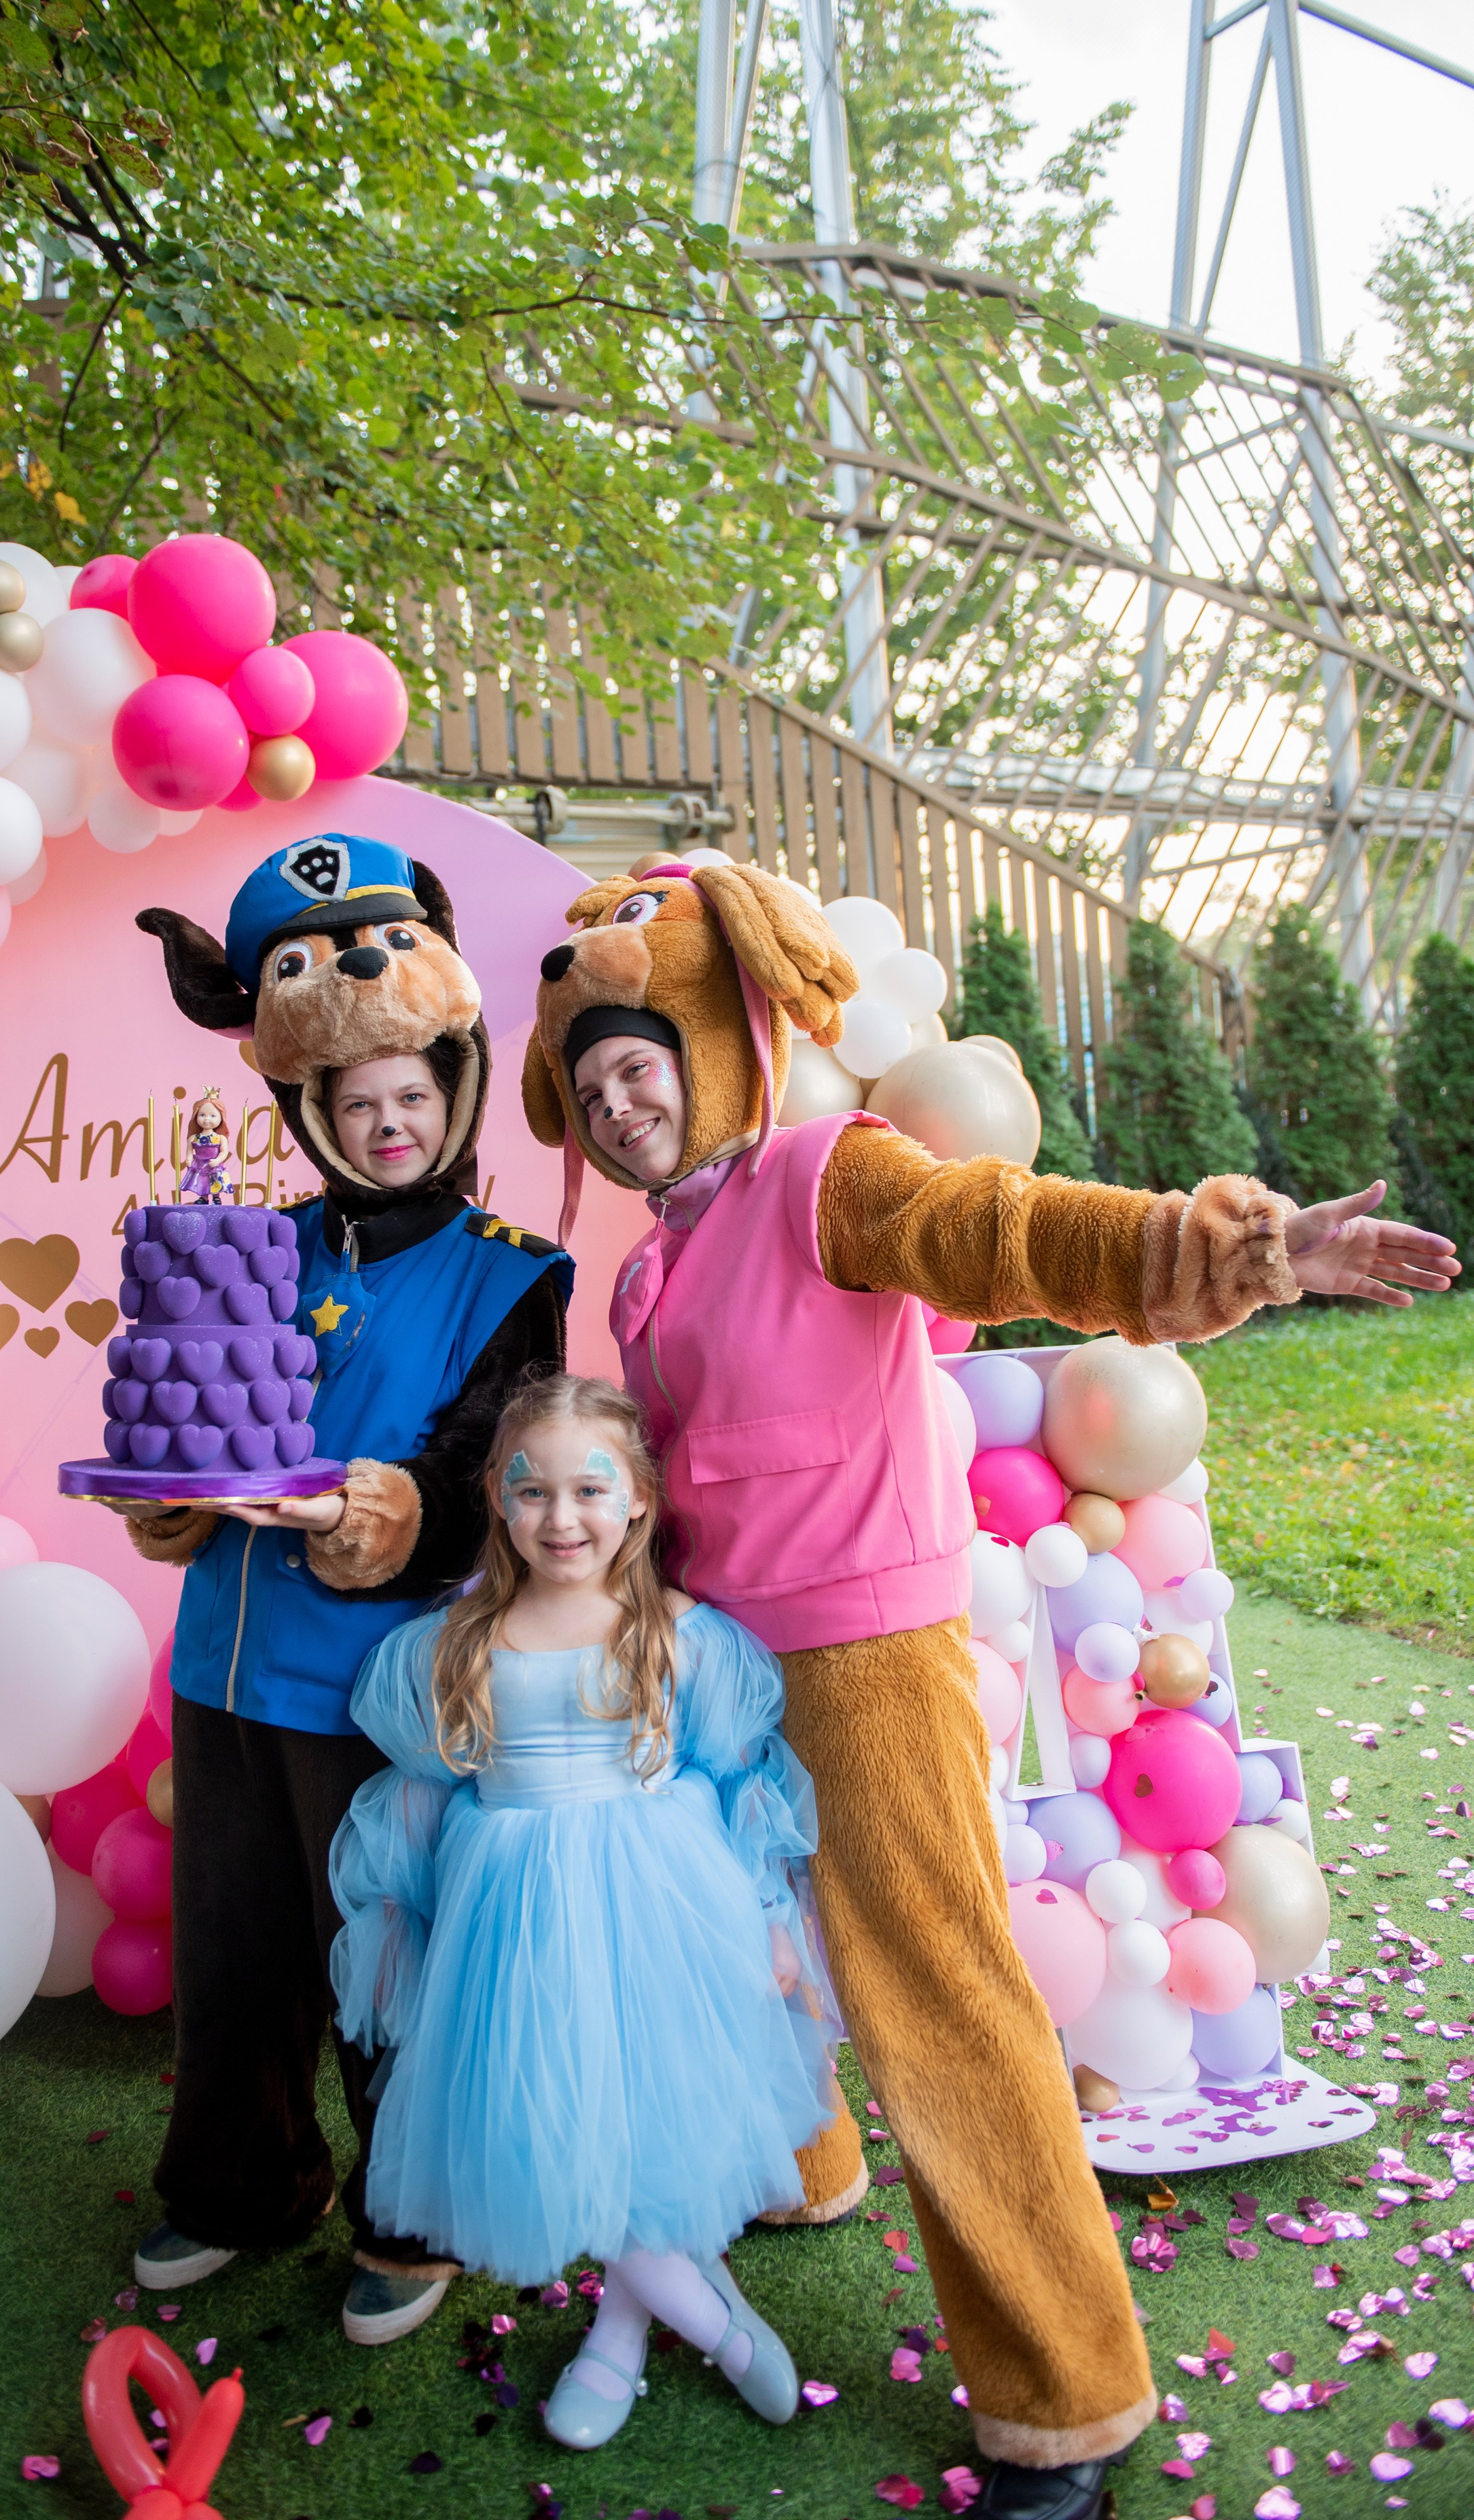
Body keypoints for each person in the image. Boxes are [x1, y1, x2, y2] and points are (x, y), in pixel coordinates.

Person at [522, 852, 1460, 2520]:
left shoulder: (823, 1174)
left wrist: (1222, 1246)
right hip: (723, 1669)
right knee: (734, 1947)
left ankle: (1064, 2399)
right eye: (590, 1087)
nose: (617, 1103)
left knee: (939, 2005)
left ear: (720, 1044)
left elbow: (1002, 1228)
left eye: (640, 1062)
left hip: (861, 1664)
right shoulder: (650, 1264)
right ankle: (799, 2170)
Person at [118, 831, 572, 2349]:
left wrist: (380, 1512)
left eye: (413, 1098)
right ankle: (241, 2184)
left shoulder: (514, 1273)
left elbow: (492, 1481)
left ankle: (414, 2215)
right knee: (234, 1952)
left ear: (456, 1091)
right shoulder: (250, 1250)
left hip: (377, 1685)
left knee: (383, 1961)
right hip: (222, 1668)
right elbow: (197, 1427)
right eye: (358, 1102)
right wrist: (170, 1500)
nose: (389, 1125)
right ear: (313, 1109)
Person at [329, 1372, 835, 2449]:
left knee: (644, 2119)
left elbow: (735, 1779)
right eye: (532, 1491)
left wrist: (765, 1912)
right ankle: (718, 2325)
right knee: (564, 2117)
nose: (562, 1518)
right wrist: (409, 1929)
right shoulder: (458, 1641)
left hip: (663, 1902)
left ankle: (627, 2334)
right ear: (498, 1500)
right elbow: (426, 1788)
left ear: (639, 1497)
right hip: (516, 1918)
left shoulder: (680, 1634)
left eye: (591, 1489)